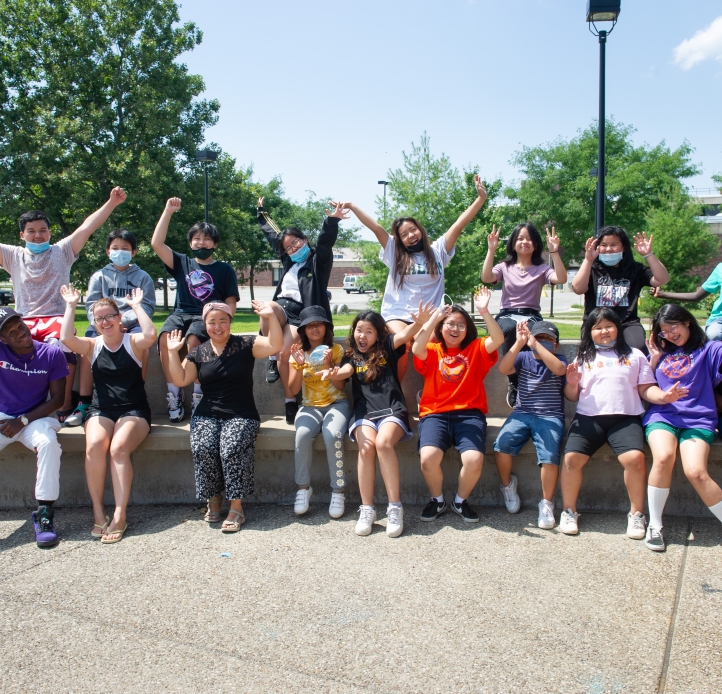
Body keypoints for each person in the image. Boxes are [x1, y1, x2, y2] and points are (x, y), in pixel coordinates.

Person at [338, 175, 488, 382]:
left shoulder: (438, 251)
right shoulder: (395, 252)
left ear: (421, 230)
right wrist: (353, 206)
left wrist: (480, 199)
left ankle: (434, 391)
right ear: (399, 239)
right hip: (398, 313)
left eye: (413, 230)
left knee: (434, 344)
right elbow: (376, 228)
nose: (410, 235)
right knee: (401, 344)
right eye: (404, 234)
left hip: (429, 315)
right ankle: (396, 395)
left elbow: (458, 225)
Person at [0, 187, 127, 421]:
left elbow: (88, 226)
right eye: (31, 232)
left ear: (50, 232)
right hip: (24, 320)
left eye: (43, 231)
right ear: (22, 235)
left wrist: (111, 203)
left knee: (60, 346)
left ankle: (64, 404)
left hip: (57, 318)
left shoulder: (63, 251)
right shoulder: (12, 255)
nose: (38, 235)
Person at [560, 307, 684, 538]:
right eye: (597, 328)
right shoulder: (584, 357)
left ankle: (637, 515)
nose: (604, 331)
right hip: (589, 418)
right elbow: (572, 396)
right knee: (570, 459)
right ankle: (569, 511)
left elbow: (646, 389)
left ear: (618, 328)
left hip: (625, 419)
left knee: (635, 459)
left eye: (609, 325)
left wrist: (664, 397)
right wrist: (571, 382)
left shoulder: (634, 355)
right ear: (589, 332)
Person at [319, 302, 435, 538]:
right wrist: (331, 370)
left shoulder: (388, 347)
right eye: (359, 330)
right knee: (366, 447)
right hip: (365, 412)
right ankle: (367, 509)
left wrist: (420, 322)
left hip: (392, 409)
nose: (362, 335)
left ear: (379, 333)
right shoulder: (352, 356)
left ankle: (394, 508)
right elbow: (344, 374)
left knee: (383, 443)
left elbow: (405, 334)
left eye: (369, 331)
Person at [165, 300, 283, 532]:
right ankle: (213, 499)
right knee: (204, 447)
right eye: (212, 322)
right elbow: (179, 380)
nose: (217, 326)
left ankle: (236, 507)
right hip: (207, 414)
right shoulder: (198, 353)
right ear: (204, 324)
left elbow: (274, 344)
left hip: (241, 414)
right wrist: (171, 353)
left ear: (230, 322)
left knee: (231, 447)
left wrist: (271, 318)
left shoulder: (245, 344)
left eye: (222, 321)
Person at [59, 285, 156, 543]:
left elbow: (150, 334)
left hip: (133, 409)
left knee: (118, 449)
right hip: (101, 409)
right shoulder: (92, 345)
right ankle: (98, 511)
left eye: (109, 316)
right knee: (94, 447)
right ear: (95, 322)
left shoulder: (133, 342)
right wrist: (71, 305)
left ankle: (120, 514)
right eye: (99, 318)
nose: (105, 321)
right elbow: (67, 339)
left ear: (118, 317)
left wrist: (136, 306)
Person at [412, 288, 504, 523]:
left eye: (461, 325)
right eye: (450, 324)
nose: (455, 329)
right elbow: (416, 348)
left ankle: (460, 502)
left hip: (469, 415)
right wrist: (435, 317)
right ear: (441, 328)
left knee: (474, 460)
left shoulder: (476, 349)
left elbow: (498, 339)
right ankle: (438, 500)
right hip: (435, 415)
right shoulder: (433, 350)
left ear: (467, 330)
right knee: (428, 458)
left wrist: (483, 310)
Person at [256, 197, 347, 424]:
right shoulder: (289, 262)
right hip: (280, 309)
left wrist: (331, 221)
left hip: (302, 314)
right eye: (288, 247)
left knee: (286, 351)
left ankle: (289, 401)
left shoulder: (317, 262)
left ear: (304, 240)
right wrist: (261, 214)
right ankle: (270, 353)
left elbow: (325, 243)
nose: (293, 249)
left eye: (296, 243)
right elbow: (272, 235)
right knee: (268, 307)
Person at [151, 197, 240, 423]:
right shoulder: (181, 263)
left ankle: (199, 394)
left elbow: (231, 301)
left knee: (194, 342)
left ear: (215, 244)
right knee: (164, 340)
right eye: (197, 239)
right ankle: (174, 394)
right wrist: (168, 211)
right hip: (180, 313)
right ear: (191, 243)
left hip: (206, 316)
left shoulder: (224, 269)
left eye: (207, 239)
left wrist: (223, 319)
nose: (202, 243)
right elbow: (157, 244)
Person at [642, 304, 722, 551]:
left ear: (687, 322)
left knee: (696, 471)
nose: (669, 334)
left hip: (698, 419)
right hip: (662, 415)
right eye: (663, 331)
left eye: (673, 327)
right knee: (664, 457)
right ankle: (654, 525)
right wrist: (655, 363)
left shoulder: (710, 349)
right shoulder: (659, 354)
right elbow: (645, 388)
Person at [65, 228, 156, 427]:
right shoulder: (99, 276)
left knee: (143, 348)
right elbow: (91, 306)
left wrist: (123, 323)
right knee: (85, 350)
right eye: (115, 248)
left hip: (130, 325)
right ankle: (84, 401)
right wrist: (104, 325)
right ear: (107, 251)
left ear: (133, 252)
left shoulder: (143, 277)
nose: (120, 252)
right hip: (103, 325)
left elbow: (147, 306)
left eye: (125, 248)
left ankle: (136, 392)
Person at [0, 307, 68, 547]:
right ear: (3, 339)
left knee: (49, 444)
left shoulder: (50, 353)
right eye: (11, 331)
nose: (20, 332)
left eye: (20, 326)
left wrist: (23, 420)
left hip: (35, 418)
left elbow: (58, 400)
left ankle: (44, 514)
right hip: (3, 418)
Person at [481, 222, 567, 407]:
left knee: (536, 334)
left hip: (532, 315)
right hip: (507, 315)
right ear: (513, 243)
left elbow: (561, 279)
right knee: (511, 328)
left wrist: (554, 252)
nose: (524, 242)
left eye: (529, 239)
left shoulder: (542, 269)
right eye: (520, 238)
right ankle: (515, 381)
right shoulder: (504, 266)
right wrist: (491, 250)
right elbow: (486, 278)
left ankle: (532, 378)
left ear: (535, 243)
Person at [493, 320, 568, 529]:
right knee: (501, 446)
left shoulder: (559, 359)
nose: (543, 342)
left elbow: (560, 370)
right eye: (539, 338)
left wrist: (536, 345)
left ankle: (546, 503)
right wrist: (519, 344)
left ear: (556, 344)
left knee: (549, 456)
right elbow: (503, 368)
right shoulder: (523, 357)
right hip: (522, 413)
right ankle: (507, 486)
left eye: (548, 339)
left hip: (550, 416)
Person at [287, 306, 351, 519]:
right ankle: (303, 488)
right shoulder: (298, 352)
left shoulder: (336, 350)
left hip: (336, 404)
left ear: (326, 327)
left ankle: (338, 491)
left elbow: (341, 387)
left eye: (319, 324)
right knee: (303, 434)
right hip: (309, 406)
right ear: (303, 330)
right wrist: (297, 366)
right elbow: (292, 390)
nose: (314, 329)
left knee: (332, 434)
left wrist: (329, 364)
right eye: (309, 326)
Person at [571, 225, 669, 353]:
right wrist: (588, 260)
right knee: (597, 351)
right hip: (597, 322)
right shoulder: (591, 269)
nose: (608, 249)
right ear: (598, 247)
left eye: (614, 245)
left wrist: (648, 254)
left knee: (637, 348)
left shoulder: (635, 269)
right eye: (604, 245)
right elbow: (577, 288)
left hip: (627, 323)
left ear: (623, 247)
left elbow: (662, 279)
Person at [650, 264, 722, 341]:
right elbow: (697, 296)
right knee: (714, 334)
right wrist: (662, 294)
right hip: (719, 319)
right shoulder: (720, 268)